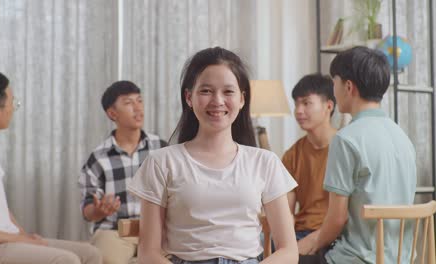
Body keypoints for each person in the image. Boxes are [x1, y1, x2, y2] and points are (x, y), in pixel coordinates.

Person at [128, 47, 299, 264]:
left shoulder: (265, 162)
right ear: (189, 97)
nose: (217, 101)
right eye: (206, 91)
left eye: (228, 92)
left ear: (242, 99)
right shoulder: (162, 162)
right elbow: (148, 254)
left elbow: (288, 251)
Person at [0, 70, 102, 264]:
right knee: (66, 260)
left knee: (90, 254)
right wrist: (18, 239)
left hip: (6, 240)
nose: (14, 108)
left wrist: (25, 236)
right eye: (13, 103)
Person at [302, 46, 417, 263]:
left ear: (348, 86)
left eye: (333, 81)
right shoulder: (402, 137)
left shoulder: (346, 139)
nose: (332, 89)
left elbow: (337, 219)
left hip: (356, 259)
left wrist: (310, 243)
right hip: (402, 258)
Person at [79, 80, 168, 264]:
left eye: (139, 101)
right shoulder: (98, 158)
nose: (137, 108)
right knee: (106, 259)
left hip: (157, 230)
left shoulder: (161, 148)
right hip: (114, 231)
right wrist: (99, 210)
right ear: (112, 113)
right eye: (128, 103)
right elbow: (87, 211)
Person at [282, 74, 336, 254]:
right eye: (296, 104)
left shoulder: (345, 148)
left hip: (336, 235)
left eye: (306, 103)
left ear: (328, 106)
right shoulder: (293, 154)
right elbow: (285, 210)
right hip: (300, 233)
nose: (298, 110)